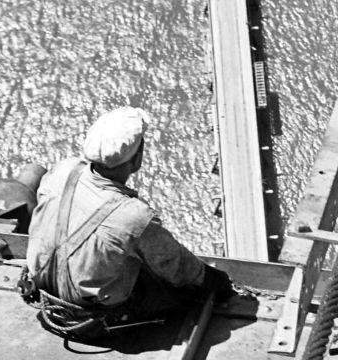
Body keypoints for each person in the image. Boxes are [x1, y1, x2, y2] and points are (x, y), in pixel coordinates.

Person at [23, 106, 234, 339]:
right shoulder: (133, 216)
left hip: (44, 292)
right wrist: (218, 282)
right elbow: (177, 266)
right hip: (89, 318)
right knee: (171, 288)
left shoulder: (64, 170)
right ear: (137, 157)